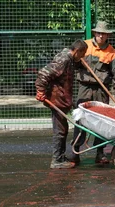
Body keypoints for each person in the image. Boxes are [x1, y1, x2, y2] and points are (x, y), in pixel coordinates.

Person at [72, 21, 115, 165]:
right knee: (80, 119)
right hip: (84, 87)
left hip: (101, 90)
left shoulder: (112, 53)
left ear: (108, 35)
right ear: (95, 33)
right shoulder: (85, 46)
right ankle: (74, 151)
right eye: (99, 33)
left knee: (102, 121)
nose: (101, 35)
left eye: (104, 33)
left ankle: (100, 153)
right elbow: (74, 60)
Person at [35, 39, 88, 169]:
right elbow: (44, 73)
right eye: (83, 53)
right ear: (77, 51)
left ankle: (60, 156)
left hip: (62, 99)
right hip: (56, 100)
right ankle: (57, 160)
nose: (83, 56)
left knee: (62, 129)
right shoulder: (63, 60)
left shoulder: (69, 58)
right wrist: (40, 90)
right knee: (60, 130)